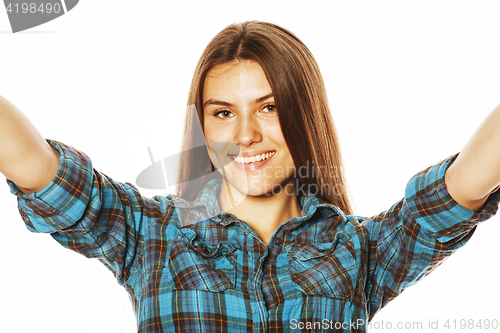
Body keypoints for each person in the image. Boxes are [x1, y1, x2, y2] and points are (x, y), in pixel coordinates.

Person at [1, 21, 499, 333]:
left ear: (306, 114)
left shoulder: (359, 250)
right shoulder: (149, 234)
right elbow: (40, 169)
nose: (245, 135)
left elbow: (460, 185)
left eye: (270, 107)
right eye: (222, 113)